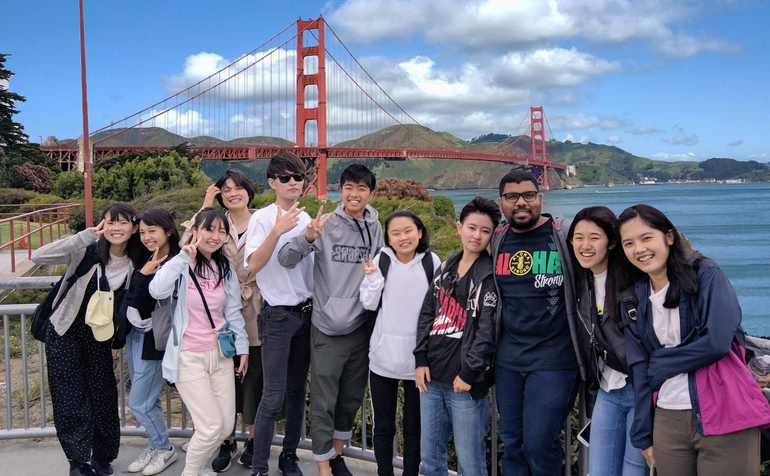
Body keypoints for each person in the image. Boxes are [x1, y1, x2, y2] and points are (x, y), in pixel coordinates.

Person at [616, 204, 770, 476]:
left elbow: (717, 342)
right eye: (628, 243)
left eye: (646, 237)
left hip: (725, 410)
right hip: (667, 420)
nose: (639, 249)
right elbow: (639, 370)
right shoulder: (633, 298)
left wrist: (662, 362)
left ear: (670, 237)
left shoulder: (705, 274)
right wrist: (642, 434)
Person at [278, 163, 384, 476]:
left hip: (360, 328)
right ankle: (323, 466)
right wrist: (307, 238)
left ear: (370, 193)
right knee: (323, 400)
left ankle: (336, 456)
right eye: (349, 187)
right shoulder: (324, 223)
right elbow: (285, 259)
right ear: (341, 190)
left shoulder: (375, 227)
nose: (355, 194)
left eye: (362, 189)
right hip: (326, 327)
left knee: (350, 400)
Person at [32, 202, 146, 476]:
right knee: (70, 398)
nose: (116, 228)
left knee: (103, 396)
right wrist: (85, 235)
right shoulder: (85, 251)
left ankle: (102, 456)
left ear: (134, 227)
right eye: (110, 222)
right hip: (64, 332)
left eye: (123, 222)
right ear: (102, 225)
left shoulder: (137, 261)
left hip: (99, 338)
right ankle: (78, 462)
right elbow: (38, 256)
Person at [490, 170, 584, 476]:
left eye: (528, 195)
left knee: (539, 443)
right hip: (508, 359)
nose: (521, 202)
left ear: (540, 199)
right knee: (512, 442)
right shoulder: (498, 239)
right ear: (501, 202)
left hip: (555, 358)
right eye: (511, 197)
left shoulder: (564, 234)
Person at [149, 208, 250, 476]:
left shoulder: (224, 268)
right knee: (209, 427)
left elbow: (233, 312)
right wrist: (182, 258)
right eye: (209, 229)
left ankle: (199, 467)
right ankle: (190, 473)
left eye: (221, 231)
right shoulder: (181, 264)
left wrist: (243, 349)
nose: (215, 236)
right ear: (195, 231)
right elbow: (156, 289)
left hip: (220, 354)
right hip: (189, 356)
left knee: (225, 425)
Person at [181, 169, 264, 472]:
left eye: (238, 188)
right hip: (216, 314)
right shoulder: (215, 222)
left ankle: (253, 439)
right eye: (225, 189)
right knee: (223, 382)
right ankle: (225, 440)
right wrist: (205, 202)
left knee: (253, 376)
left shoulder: (263, 220)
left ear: (248, 191)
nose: (232, 193)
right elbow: (187, 244)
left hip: (254, 308)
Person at [413, 195, 500, 476]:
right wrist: (420, 359)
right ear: (459, 227)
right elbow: (428, 312)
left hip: (464, 384)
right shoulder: (448, 265)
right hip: (431, 379)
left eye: (485, 231)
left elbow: (487, 331)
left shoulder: (489, 276)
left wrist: (470, 373)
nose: (477, 235)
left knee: (471, 462)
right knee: (431, 457)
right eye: (472, 227)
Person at [243, 152, 315, 476]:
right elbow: (253, 266)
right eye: (285, 178)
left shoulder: (306, 216)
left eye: (298, 177)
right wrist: (277, 229)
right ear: (272, 182)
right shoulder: (261, 218)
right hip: (277, 317)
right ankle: (260, 466)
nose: (292, 183)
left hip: (306, 315)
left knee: (299, 391)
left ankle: (289, 457)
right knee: (273, 395)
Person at [566, 206, 648, 476]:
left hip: (640, 391)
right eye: (578, 237)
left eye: (594, 237)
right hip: (606, 393)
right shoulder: (582, 283)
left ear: (611, 242)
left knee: (634, 471)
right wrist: (591, 404)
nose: (585, 245)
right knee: (599, 471)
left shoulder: (636, 283)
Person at [359, 210, 441, 476]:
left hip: (419, 363)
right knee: (383, 426)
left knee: (414, 426)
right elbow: (368, 304)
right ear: (388, 238)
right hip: (383, 359)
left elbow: (440, 309)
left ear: (419, 232)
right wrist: (372, 280)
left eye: (409, 230)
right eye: (395, 233)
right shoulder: (380, 260)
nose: (403, 237)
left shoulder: (432, 262)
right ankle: (385, 472)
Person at [124, 209, 181, 475]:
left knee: (138, 402)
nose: (147, 237)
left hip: (156, 339)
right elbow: (134, 299)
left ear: (168, 231)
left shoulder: (176, 261)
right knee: (149, 400)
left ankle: (164, 448)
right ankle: (155, 446)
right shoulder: (146, 255)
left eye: (153, 231)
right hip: (135, 336)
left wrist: (143, 276)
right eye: (143, 231)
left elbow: (142, 298)